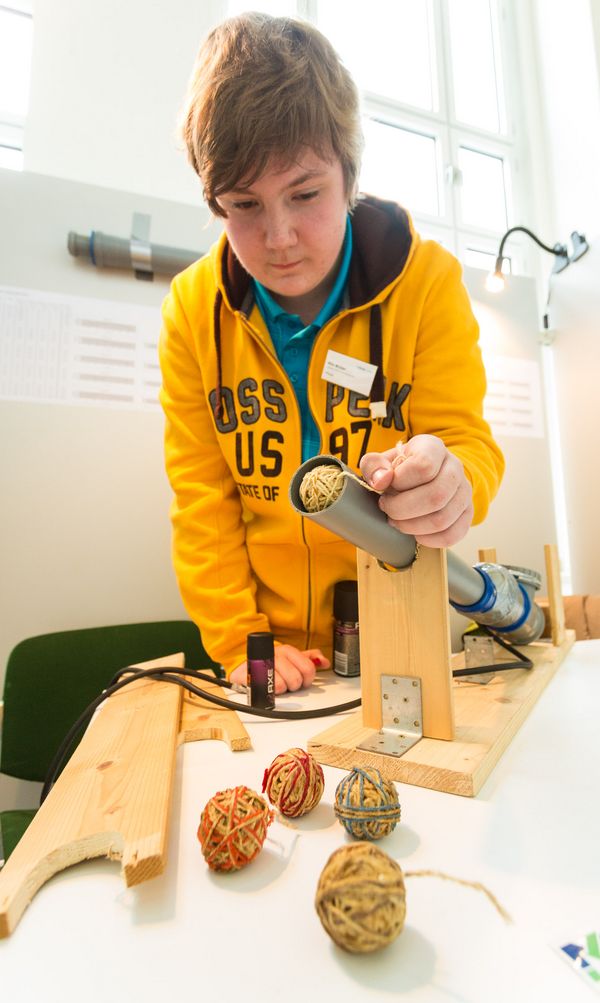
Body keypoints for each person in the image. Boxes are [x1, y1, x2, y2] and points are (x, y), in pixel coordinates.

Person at [159, 12, 504, 695]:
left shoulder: (427, 281)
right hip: (268, 651)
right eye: (243, 205)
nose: (279, 236)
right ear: (214, 202)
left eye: (306, 193)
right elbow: (203, 500)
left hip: (404, 626)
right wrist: (238, 640)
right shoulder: (191, 310)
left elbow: (467, 441)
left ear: (349, 173)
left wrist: (454, 484)